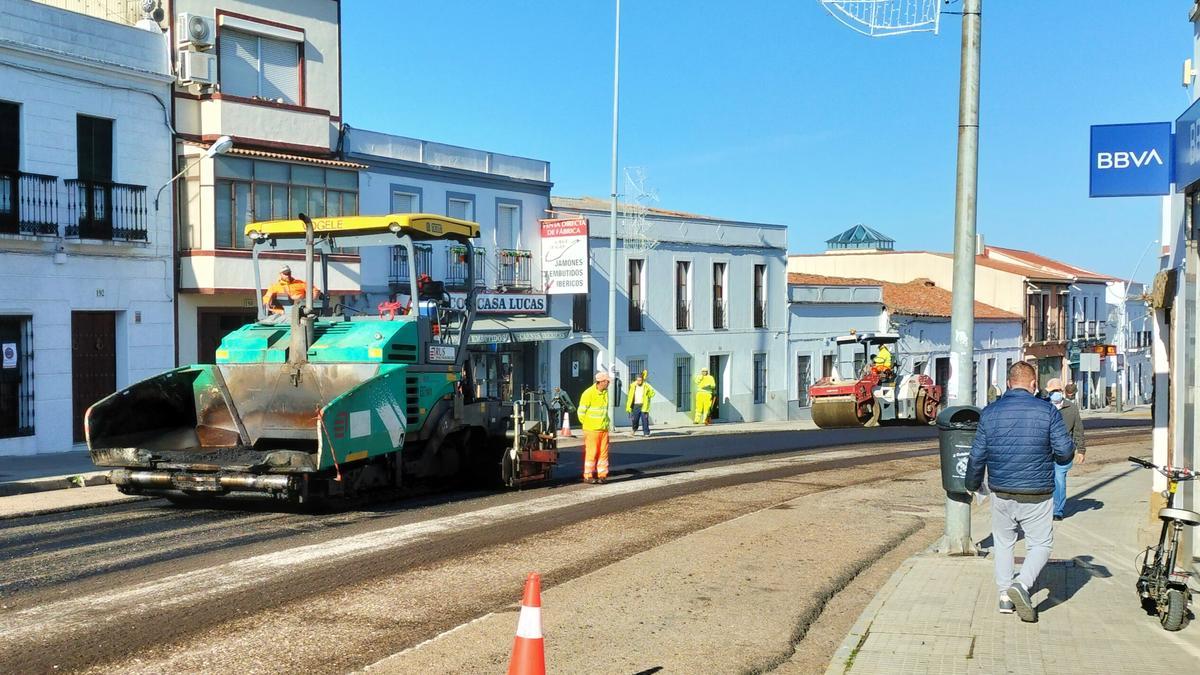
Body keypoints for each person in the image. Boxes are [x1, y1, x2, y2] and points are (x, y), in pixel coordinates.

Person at [965, 361, 1074, 623]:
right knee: (1041, 544)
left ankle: (1004, 596)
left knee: (1004, 543)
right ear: (1034, 384)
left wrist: (972, 483)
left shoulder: (990, 413)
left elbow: (977, 455)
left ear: (1008, 383)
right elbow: (1065, 452)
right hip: (1037, 492)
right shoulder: (1048, 411)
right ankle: (1022, 585)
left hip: (1001, 491)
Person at [1047, 379, 1086, 521]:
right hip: (1044, 451)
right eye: (1052, 392)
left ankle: (1057, 510)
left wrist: (1081, 450)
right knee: (1044, 480)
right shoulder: (1043, 406)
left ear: (1062, 392)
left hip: (1063, 452)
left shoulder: (1071, 408)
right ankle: (1045, 509)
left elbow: (1078, 430)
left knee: (1059, 479)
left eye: (1057, 391)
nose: (1055, 394)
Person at [576, 371, 612, 484]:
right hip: (592, 429)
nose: (609, 383)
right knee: (592, 452)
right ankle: (588, 475)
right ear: (601, 382)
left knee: (603, 453)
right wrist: (587, 424)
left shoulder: (605, 393)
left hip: (603, 428)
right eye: (607, 381)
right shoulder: (588, 393)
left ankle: (602, 475)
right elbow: (581, 412)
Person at [625, 370, 656, 437]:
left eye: (640, 380)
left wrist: (649, 394)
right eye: (637, 380)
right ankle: (634, 429)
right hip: (635, 405)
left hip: (643, 405)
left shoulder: (646, 385)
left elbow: (652, 393)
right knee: (635, 420)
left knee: (645, 420)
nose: (639, 381)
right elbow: (630, 396)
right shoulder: (633, 385)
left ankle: (646, 432)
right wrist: (628, 406)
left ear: (642, 380)